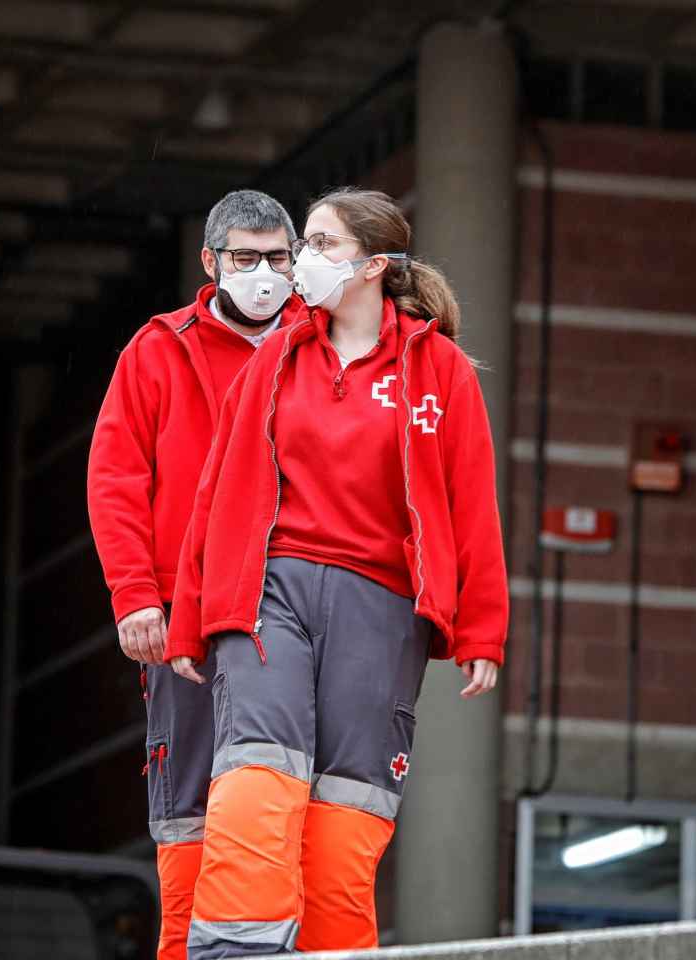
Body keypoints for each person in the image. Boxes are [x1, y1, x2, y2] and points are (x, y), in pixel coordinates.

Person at [164, 188, 508, 957]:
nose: (301, 261)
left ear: (374, 266)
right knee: (258, 772)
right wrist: (189, 614)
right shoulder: (275, 358)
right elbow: (214, 491)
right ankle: (235, 949)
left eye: (319, 244)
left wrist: (483, 628)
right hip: (270, 592)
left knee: (347, 816)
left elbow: (471, 501)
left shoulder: (441, 372)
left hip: (382, 608)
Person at [85, 188, 307, 960]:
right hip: (189, 617)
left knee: (296, 800)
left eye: (279, 258)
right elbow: (116, 480)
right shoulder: (157, 351)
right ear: (210, 263)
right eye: (246, 259)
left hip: (298, 609)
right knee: (189, 807)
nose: (265, 274)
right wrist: (135, 597)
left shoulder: (322, 346)